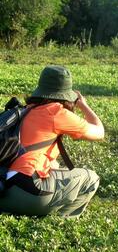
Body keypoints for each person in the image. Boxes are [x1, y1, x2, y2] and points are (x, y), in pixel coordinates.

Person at [0, 65, 104, 218]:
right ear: (66, 95)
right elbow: (99, 132)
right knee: (90, 178)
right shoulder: (56, 112)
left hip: (3, 190)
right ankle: (62, 219)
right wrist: (84, 105)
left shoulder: (26, 109)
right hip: (27, 193)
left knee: (55, 167)